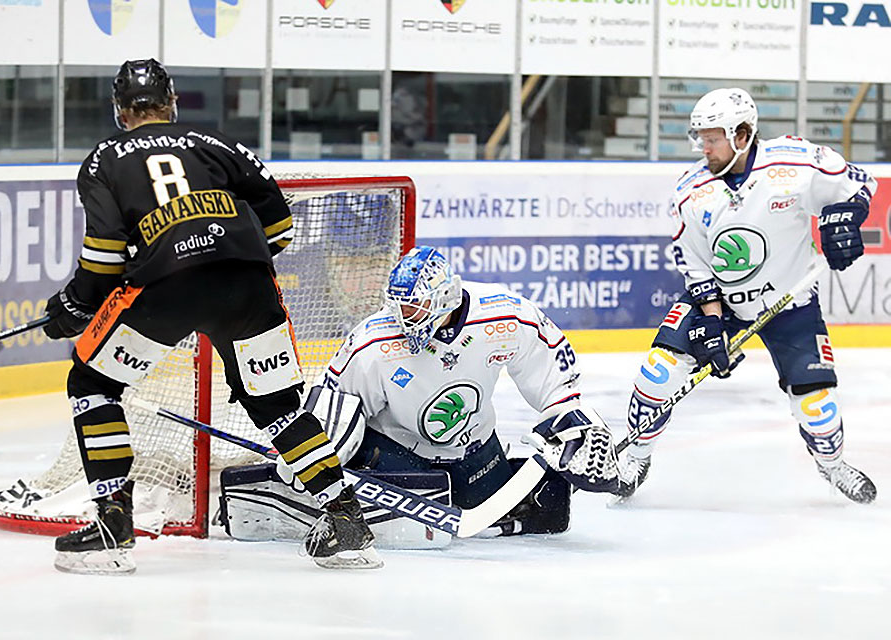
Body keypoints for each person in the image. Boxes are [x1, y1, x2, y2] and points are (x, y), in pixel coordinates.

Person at [43, 59, 380, 573]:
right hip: (247, 283)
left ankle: (114, 524)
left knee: (92, 385)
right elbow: (281, 226)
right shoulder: (215, 141)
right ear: (172, 102)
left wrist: (73, 307)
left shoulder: (103, 160)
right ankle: (346, 518)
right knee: (279, 408)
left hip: (168, 288)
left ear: (119, 111)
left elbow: (105, 259)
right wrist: (227, 257)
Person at [618, 87, 877, 504]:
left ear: (742, 135)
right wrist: (712, 322)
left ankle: (832, 465)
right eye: (700, 137)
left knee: (819, 409)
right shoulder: (691, 191)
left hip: (790, 305)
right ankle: (636, 455)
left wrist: (843, 217)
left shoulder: (793, 164)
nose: (704, 147)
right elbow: (696, 264)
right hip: (722, 299)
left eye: (713, 137)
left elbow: (859, 185)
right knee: (658, 373)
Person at [312, 246, 619, 537]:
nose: (404, 317)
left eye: (414, 308)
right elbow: (335, 404)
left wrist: (569, 419)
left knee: (543, 511)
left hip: (474, 451)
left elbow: (549, 364)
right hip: (396, 454)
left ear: (445, 297)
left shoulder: (504, 315)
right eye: (399, 306)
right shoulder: (373, 343)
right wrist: (315, 463)